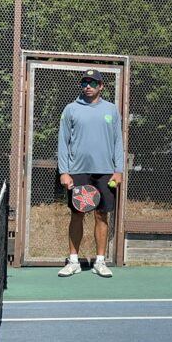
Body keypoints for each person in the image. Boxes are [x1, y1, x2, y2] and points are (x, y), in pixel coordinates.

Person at [56, 70, 124, 278]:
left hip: (104, 173)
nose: (88, 86)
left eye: (92, 83)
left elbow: (117, 142)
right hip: (78, 172)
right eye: (85, 82)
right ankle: (73, 261)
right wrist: (64, 172)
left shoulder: (111, 110)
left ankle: (100, 261)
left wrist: (118, 171)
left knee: (102, 215)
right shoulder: (71, 109)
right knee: (77, 214)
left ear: (101, 86)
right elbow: (63, 142)